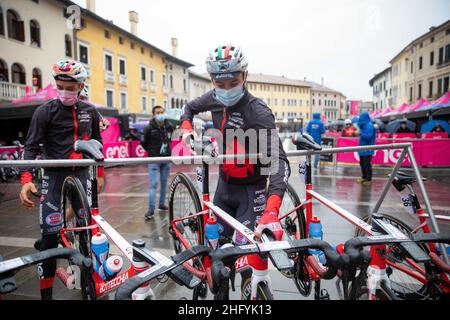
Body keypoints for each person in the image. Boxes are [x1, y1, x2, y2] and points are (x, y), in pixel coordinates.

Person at [179, 44, 290, 292]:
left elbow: (279, 161)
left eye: (233, 82)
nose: (226, 89)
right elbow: (189, 108)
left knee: (246, 262)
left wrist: (272, 210)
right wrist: (186, 128)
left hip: (251, 194)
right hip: (224, 189)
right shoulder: (214, 98)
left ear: (245, 76)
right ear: (212, 81)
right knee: (217, 256)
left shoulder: (258, 112)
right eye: (220, 84)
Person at [18, 59, 103, 300]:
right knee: (49, 239)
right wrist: (25, 180)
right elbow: (31, 147)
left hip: (82, 175)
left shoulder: (90, 111)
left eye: (71, 87)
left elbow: (98, 144)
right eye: (60, 86)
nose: (65, 91)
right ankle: (46, 296)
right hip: (54, 177)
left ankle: (88, 285)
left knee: (88, 233)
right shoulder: (44, 111)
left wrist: (100, 175)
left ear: (81, 86)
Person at [141, 106, 174, 219]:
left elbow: (170, 139)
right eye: (158, 112)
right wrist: (151, 151)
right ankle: (151, 209)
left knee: (164, 183)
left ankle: (161, 204)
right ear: (153, 114)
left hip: (166, 159)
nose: (160, 114)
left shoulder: (169, 126)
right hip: (154, 159)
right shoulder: (148, 128)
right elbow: (143, 142)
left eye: (162, 112)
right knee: (153, 184)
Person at [356, 112, 376, 186]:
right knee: (362, 163)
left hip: (368, 148)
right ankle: (364, 177)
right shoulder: (364, 126)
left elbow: (368, 136)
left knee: (367, 164)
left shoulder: (369, 126)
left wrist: (360, 133)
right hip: (362, 147)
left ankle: (368, 179)